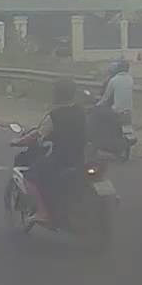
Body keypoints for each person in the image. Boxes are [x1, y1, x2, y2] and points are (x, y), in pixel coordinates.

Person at [27, 77, 88, 224]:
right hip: (80, 158)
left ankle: (43, 213)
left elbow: (37, 135)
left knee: (30, 177)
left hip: (61, 160)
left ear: (57, 94)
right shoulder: (81, 111)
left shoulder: (54, 116)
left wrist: (18, 141)